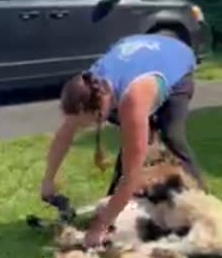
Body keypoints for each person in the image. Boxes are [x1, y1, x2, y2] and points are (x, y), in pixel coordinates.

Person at [40, 33, 207, 247]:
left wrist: (99, 228)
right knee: (135, 144)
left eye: (85, 124)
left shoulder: (133, 101)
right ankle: (119, 208)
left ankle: (201, 201)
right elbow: (64, 135)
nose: (82, 128)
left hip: (175, 59)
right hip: (138, 54)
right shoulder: (87, 86)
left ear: (99, 109)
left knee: (171, 136)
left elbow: (131, 175)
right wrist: (48, 181)